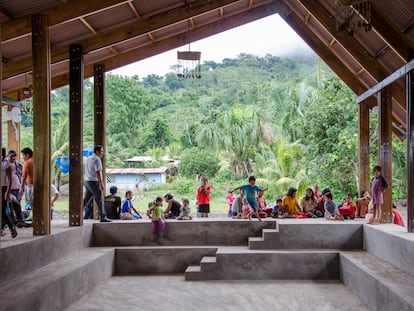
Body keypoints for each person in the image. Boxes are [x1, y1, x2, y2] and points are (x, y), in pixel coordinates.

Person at [83, 145, 111, 222]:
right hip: (94, 181)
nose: (102, 153)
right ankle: (103, 216)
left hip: (88, 181)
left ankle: (78, 213)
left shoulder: (89, 158)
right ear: (97, 151)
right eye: (101, 151)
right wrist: (101, 183)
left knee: (86, 199)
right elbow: (98, 172)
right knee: (100, 199)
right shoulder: (97, 159)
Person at [1, 148, 17, 238]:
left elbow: (9, 178)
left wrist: (7, 191)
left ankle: (11, 227)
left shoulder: (5, 163)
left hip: (3, 188)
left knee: (2, 210)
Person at [19, 147, 34, 215]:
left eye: (23, 155)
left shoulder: (27, 163)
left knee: (30, 202)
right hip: (36, 184)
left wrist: (21, 187)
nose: (22, 157)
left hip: (30, 185)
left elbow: (24, 176)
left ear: (27, 155)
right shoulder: (35, 161)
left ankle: (34, 218)